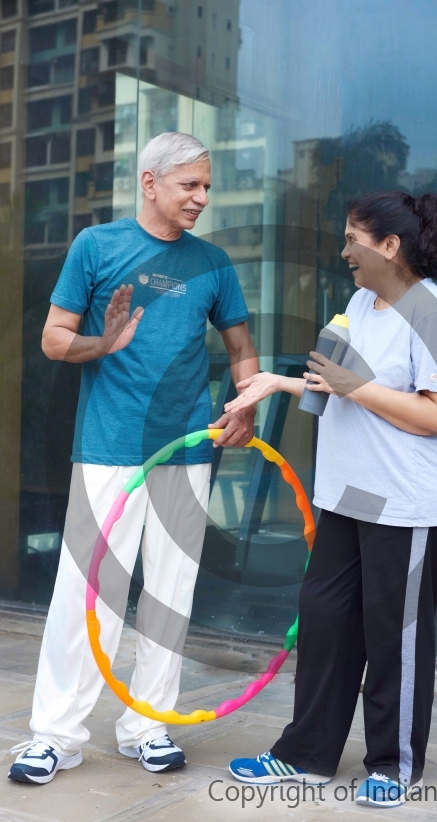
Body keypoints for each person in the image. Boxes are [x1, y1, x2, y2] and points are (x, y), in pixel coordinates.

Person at [8, 132, 258, 785]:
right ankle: (54, 735)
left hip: (185, 449)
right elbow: (54, 340)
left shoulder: (213, 262)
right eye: (190, 186)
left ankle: (146, 726)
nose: (202, 197)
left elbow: (240, 349)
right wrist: (105, 340)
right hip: (109, 449)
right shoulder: (97, 247)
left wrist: (245, 405)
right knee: (88, 594)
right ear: (150, 183)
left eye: (206, 185)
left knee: (169, 596)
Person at [226, 190, 437, 808]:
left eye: (352, 240)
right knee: (329, 624)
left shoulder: (432, 311)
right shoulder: (360, 303)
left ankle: (393, 764)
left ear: (390, 246)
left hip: (407, 503)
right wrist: (274, 384)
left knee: (395, 636)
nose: (343, 253)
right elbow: (327, 384)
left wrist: (355, 387)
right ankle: (305, 756)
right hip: (346, 495)